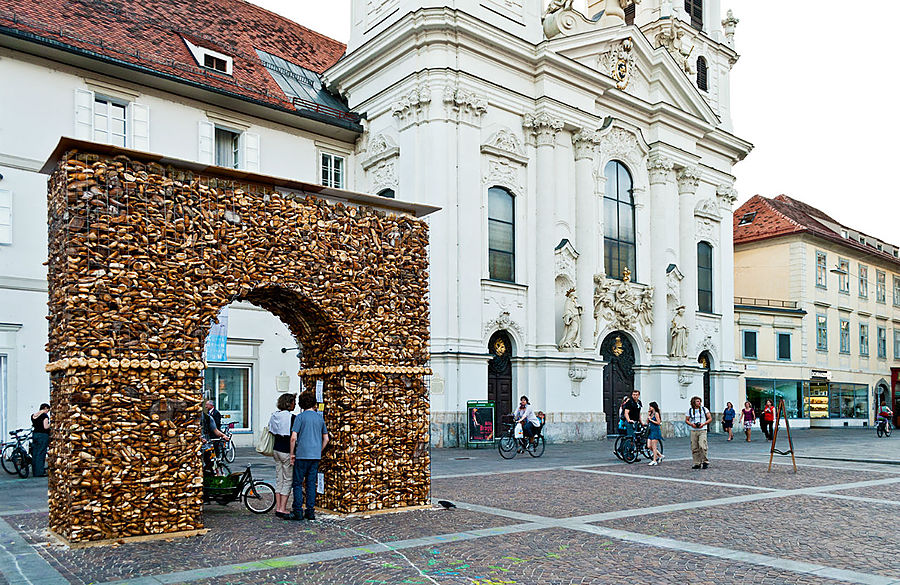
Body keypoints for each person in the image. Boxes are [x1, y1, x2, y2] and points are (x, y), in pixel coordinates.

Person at [288, 391, 329, 521]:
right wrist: (319, 450)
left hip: (302, 454)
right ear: (314, 403)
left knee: (298, 483)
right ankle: (310, 511)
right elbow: (326, 438)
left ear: (301, 404)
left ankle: (298, 511)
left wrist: (291, 454)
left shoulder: (300, 417)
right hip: (315, 456)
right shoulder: (319, 418)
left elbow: (293, 437)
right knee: (311, 483)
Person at [269, 393, 296, 519]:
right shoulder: (292, 418)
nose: (295, 404)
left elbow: (271, 431)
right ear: (289, 403)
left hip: (276, 449)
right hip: (286, 450)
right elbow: (293, 437)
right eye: (293, 402)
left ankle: (278, 506)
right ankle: (282, 508)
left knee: (279, 478)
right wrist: (292, 454)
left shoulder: (274, 415)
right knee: (287, 479)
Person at [685, 396, 711, 469]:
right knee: (694, 447)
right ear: (693, 402)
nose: (699, 403)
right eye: (697, 401)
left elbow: (710, 418)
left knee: (702, 445)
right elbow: (686, 420)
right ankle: (697, 463)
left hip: (702, 429)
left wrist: (703, 424)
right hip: (693, 430)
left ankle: (705, 461)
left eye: (699, 401)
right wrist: (691, 424)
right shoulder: (690, 410)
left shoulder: (704, 409)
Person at [30, 403, 51, 477]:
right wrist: (51, 424)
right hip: (43, 435)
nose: (47, 412)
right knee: (41, 453)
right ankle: (39, 472)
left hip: (35, 434)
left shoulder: (33, 416)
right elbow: (45, 427)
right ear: (45, 408)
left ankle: (35, 471)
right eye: (47, 410)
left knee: (35, 453)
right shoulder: (44, 416)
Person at [646, 401, 664, 466]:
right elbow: (647, 422)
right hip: (651, 431)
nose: (649, 408)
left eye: (650, 406)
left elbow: (658, 422)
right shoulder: (651, 414)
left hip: (655, 430)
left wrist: (652, 420)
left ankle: (654, 460)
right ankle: (660, 455)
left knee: (654, 446)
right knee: (649, 446)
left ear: (653, 407)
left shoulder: (656, 413)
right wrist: (648, 416)